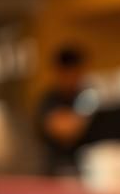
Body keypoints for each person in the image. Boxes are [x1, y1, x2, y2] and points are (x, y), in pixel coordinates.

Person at [36, 45, 90, 175]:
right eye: (70, 73)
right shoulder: (49, 100)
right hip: (57, 171)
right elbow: (65, 132)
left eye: (77, 72)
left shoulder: (85, 95)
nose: (74, 78)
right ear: (59, 72)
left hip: (86, 169)